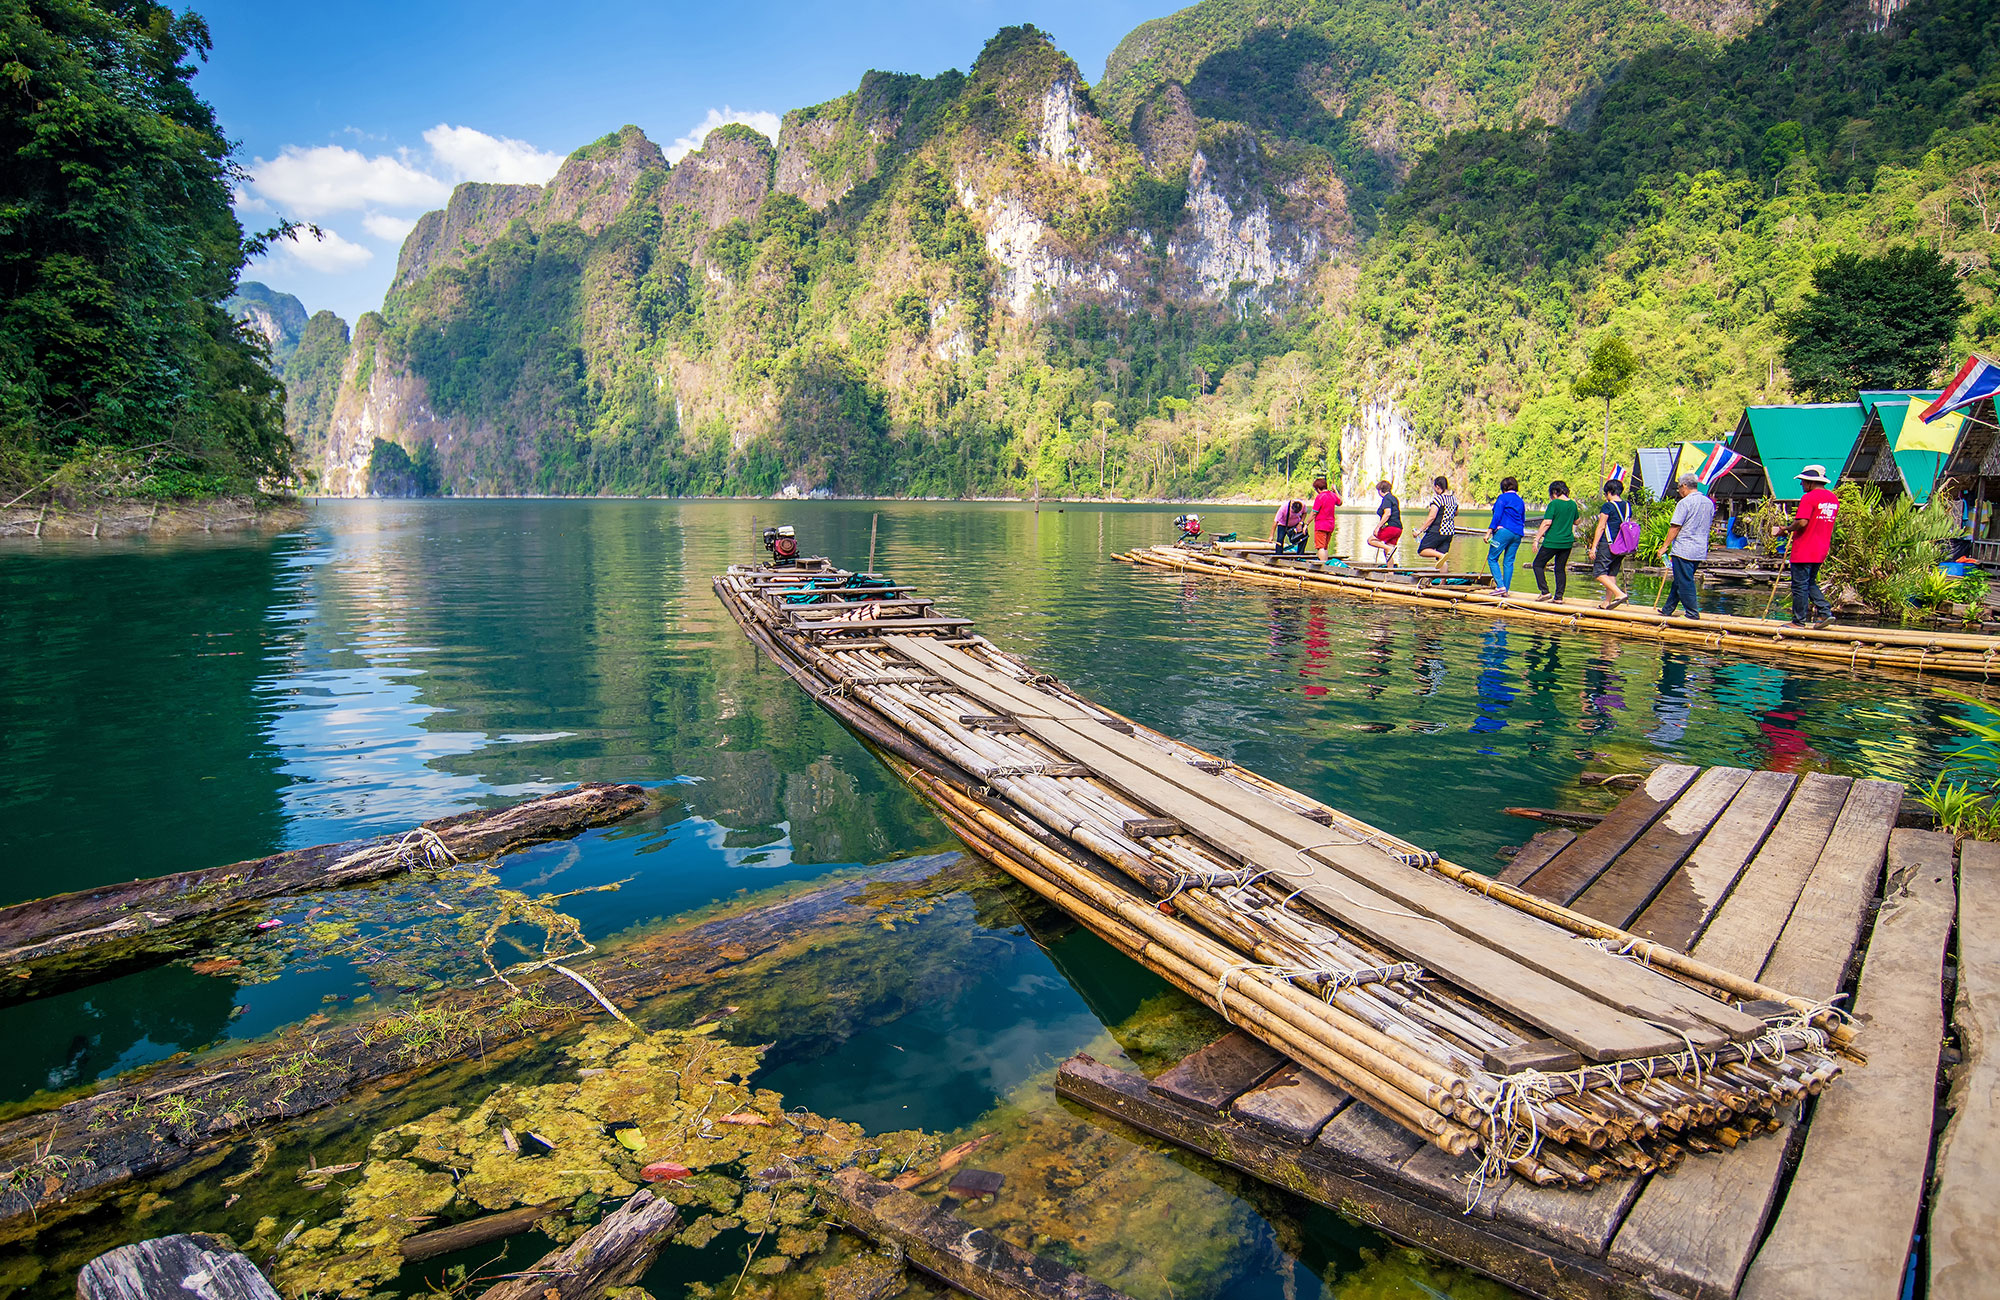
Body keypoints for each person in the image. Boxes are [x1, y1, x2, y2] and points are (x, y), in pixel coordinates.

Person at [1785, 464, 1840, 628]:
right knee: (1809, 583)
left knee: (1799, 586)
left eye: (1803, 481)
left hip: (1804, 548)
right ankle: (1824, 612)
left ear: (1810, 482)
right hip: (1821, 548)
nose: (1801, 484)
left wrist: (1787, 529)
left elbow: (1802, 522)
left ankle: (1798, 621)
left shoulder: (1809, 498)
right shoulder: (1833, 499)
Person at [1655, 472, 1715, 620]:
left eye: (1679, 488)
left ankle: (1692, 613)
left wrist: (1664, 546)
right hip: (1699, 549)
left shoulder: (1685, 503)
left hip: (1684, 548)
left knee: (1685, 581)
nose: (1679, 491)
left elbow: (1675, 526)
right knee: (1680, 579)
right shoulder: (1708, 503)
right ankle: (1668, 609)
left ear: (1684, 486)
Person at [1529, 479, 1578, 603]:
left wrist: (1536, 539)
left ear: (1554, 492)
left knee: (1537, 564)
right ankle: (1559, 597)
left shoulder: (1554, 504)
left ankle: (1545, 592)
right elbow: (1577, 521)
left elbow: (1547, 522)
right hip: (1567, 542)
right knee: (1560, 568)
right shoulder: (1573, 504)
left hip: (1552, 541)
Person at [1590, 478, 1634, 609]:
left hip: (1608, 543)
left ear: (1609, 492)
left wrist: (1593, 547)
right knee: (1611, 573)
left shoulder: (1608, 506)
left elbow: (1601, 527)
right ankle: (1607, 602)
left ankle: (1619, 594)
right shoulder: (1627, 506)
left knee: (1598, 573)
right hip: (1622, 545)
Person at [1486, 475, 1527, 593]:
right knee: (1509, 561)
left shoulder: (1502, 498)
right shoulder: (1520, 501)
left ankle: (1500, 586)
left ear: (1503, 488)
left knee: (1492, 558)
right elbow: (1522, 518)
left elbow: (1497, 515)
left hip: (1503, 532)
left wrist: (1489, 532)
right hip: (1518, 533)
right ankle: (1506, 590)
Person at [1416, 476, 1458, 571]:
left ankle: (1440, 555)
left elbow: (1432, 517)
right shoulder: (1454, 499)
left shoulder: (1438, 499)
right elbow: (1456, 513)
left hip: (1438, 530)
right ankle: (1443, 579)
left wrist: (1419, 530)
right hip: (1449, 532)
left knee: (1422, 550)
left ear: (1437, 487)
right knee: (1442, 559)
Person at [1310, 475, 1342, 564]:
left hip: (1321, 525)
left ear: (1318, 489)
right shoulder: (1332, 495)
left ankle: (1323, 565)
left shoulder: (1320, 497)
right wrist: (1335, 490)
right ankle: (1326, 564)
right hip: (1330, 525)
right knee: (1325, 547)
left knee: (1320, 547)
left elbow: (1314, 512)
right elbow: (1340, 502)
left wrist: (1306, 523)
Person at [1368, 480, 1402, 563]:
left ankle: (1389, 548)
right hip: (1398, 528)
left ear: (1380, 490)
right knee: (1388, 553)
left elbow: (1387, 513)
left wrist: (1378, 527)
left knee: (1371, 540)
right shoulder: (1394, 498)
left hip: (1391, 527)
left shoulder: (1386, 498)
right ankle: (1390, 570)